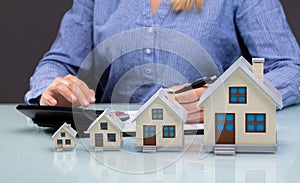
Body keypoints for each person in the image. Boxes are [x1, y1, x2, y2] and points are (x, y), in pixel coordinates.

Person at [25, 0, 300, 123]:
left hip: (207, 154)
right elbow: (60, 61)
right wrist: (53, 90)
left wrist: (223, 96)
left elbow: (291, 69)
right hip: (115, 149)